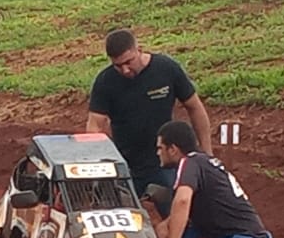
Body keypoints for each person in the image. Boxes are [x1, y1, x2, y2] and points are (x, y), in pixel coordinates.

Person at [87, 29, 212, 197]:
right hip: (126, 166)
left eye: (129, 62)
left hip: (164, 163)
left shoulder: (166, 69)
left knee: (178, 212)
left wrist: (207, 153)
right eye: (118, 65)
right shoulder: (105, 82)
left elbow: (195, 107)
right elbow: (95, 125)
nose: (125, 70)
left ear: (139, 50)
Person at [153, 121, 273, 238]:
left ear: (173, 149)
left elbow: (182, 201)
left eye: (160, 148)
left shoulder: (189, 162)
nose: (158, 153)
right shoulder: (207, 162)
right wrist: (167, 223)